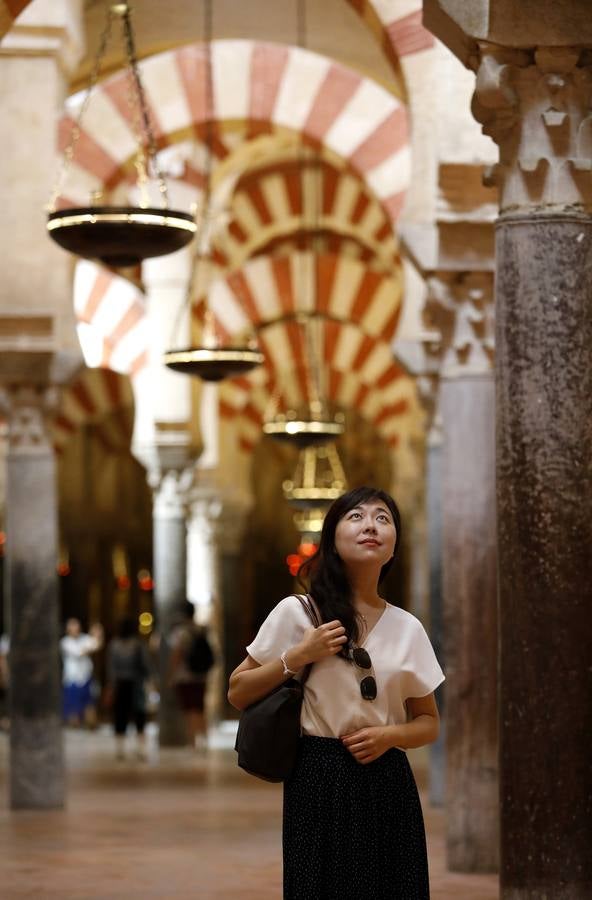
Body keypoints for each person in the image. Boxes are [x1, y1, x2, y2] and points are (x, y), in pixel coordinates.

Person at [228, 485, 444, 900]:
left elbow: (428, 723)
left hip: (387, 779)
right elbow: (238, 691)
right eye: (356, 517)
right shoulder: (298, 613)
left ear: (394, 544)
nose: (371, 526)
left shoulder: (408, 627)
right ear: (332, 539)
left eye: (383, 519)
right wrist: (297, 656)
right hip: (317, 776)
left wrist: (390, 737)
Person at [168, 601, 215, 750]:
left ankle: (193, 741)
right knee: (200, 707)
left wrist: (172, 675)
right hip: (201, 675)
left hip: (185, 676)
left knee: (190, 709)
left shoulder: (180, 631)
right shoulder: (200, 629)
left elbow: (177, 654)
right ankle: (205, 738)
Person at [106, 617, 151, 761]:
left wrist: (112, 685)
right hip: (136, 683)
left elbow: (111, 668)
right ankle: (141, 749)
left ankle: (120, 749)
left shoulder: (114, 645)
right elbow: (146, 665)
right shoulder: (138, 644)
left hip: (120, 684)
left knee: (121, 715)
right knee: (139, 715)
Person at [60, 618, 104, 727]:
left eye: (76, 626)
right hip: (72, 678)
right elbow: (78, 652)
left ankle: (90, 725)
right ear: (68, 629)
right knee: (73, 708)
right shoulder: (65, 642)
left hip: (85, 677)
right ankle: (74, 724)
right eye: (72, 626)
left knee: (89, 705)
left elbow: (97, 645)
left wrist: (98, 634)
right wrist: (90, 646)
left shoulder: (84, 638)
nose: (75, 629)